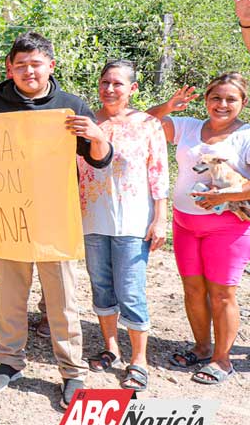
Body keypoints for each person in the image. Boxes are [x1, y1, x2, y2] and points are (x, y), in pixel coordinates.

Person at [0, 32, 112, 411]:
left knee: (63, 299)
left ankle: (72, 372)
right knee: (11, 295)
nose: (28, 71)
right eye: (20, 65)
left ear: (50, 66)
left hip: (56, 215)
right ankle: (10, 362)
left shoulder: (70, 106)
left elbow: (99, 159)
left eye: (35, 64)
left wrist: (97, 135)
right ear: (9, 69)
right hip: (10, 216)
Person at [147, 73, 250, 386]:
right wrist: (168, 106)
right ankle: (202, 347)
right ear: (206, 100)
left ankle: (222, 360)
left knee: (222, 294)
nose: (222, 105)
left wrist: (224, 196)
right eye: (215, 98)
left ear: (243, 103)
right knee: (192, 289)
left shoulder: (245, 136)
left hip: (228, 228)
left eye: (230, 99)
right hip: (185, 223)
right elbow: (141, 124)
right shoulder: (189, 127)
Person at [76, 60, 168, 392]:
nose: (110, 89)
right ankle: (111, 348)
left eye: (117, 83)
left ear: (133, 89)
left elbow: (158, 172)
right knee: (100, 285)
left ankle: (139, 359)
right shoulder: (84, 124)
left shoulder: (147, 124)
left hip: (133, 220)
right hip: (92, 218)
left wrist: (160, 218)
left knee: (130, 290)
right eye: (104, 82)